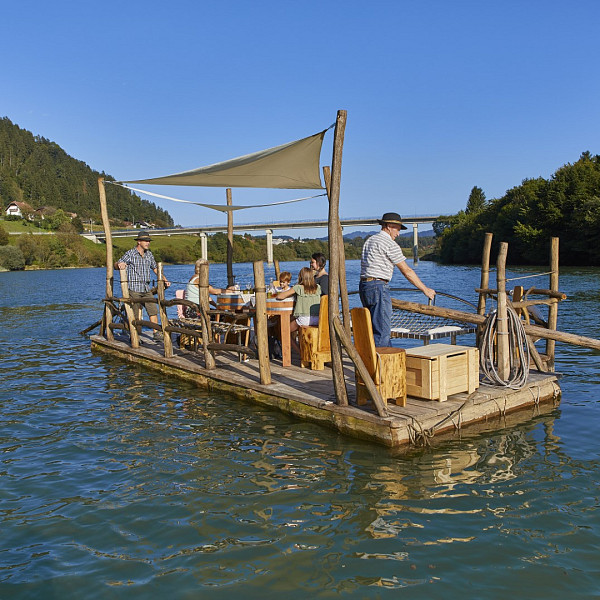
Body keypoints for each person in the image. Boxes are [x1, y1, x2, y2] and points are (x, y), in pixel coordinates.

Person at [359, 212, 435, 347]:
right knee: (382, 332)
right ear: (389, 226)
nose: (398, 234)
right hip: (378, 286)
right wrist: (425, 289)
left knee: (372, 328)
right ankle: (378, 359)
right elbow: (407, 271)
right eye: (397, 229)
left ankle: (382, 357)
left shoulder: (370, 240)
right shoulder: (389, 244)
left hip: (364, 286)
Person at [116, 233, 170, 340]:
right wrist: (119, 265)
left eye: (149, 241)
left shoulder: (149, 254)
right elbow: (119, 263)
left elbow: (155, 268)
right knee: (135, 313)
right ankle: (134, 335)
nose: (148, 243)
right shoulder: (130, 253)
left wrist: (164, 279)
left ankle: (156, 333)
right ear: (139, 242)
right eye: (146, 241)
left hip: (146, 288)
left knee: (153, 310)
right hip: (134, 288)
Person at [276, 267, 321, 354]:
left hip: (304, 319)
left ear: (301, 277)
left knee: (284, 331)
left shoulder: (298, 287)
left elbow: (280, 296)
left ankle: (300, 352)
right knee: (292, 319)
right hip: (318, 319)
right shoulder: (318, 287)